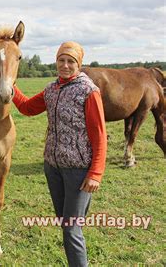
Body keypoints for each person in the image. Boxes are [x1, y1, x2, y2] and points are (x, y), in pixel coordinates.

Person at [12, 41, 107, 267]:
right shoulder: (51, 89)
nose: (65, 65)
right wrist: (9, 84)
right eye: (61, 60)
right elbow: (27, 108)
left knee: (71, 228)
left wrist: (95, 173)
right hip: (53, 168)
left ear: (79, 64)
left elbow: (99, 135)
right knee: (66, 224)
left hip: (79, 172)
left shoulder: (88, 91)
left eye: (70, 61)